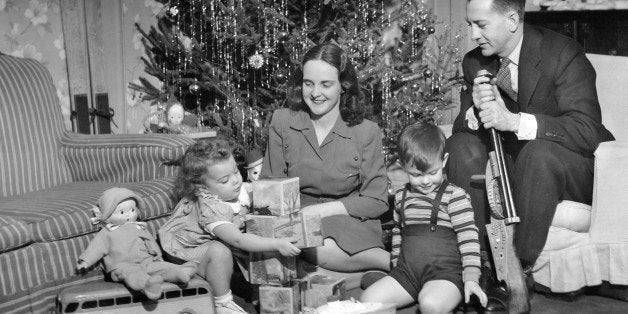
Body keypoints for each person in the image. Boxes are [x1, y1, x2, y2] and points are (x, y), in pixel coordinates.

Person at [447, 0, 614, 308]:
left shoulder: (562, 53)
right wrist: (474, 112)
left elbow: (587, 130)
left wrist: (513, 121)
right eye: (471, 24)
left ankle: (515, 270)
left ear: (512, 19)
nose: (473, 34)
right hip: (513, 162)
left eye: (481, 25)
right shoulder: (475, 61)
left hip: (567, 164)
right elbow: (463, 127)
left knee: (537, 152)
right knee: (460, 146)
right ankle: (481, 266)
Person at [260, 43, 391, 273]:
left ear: (344, 86)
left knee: (322, 248)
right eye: (308, 83)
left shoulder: (366, 131)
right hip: (297, 220)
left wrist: (322, 211)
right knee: (309, 242)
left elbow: (377, 200)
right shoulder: (282, 121)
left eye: (326, 84)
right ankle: (385, 266)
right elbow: (270, 187)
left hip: (348, 219)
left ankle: (392, 264)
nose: (315, 93)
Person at [158, 138, 301, 314]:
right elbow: (239, 240)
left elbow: (256, 193)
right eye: (225, 180)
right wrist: (277, 244)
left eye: (236, 172)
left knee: (251, 233)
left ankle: (258, 288)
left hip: (217, 237)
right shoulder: (210, 208)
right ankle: (222, 302)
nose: (235, 181)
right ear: (202, 188)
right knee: (220, 251)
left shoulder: (232, 189)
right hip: (187, 251)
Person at [360, 122, 487, 313]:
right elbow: (398, 232)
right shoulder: (402, 197)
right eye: (416, 175)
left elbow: (469, 238)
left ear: (443, 161)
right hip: (407, 275)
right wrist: (395, 264)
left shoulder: (455, 196)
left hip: (445, 275)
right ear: (403, 166)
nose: (426, 181)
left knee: (429, 304)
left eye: (433, 172)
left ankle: (450, 297)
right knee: (368, 300)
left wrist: (471, 277)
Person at [77, 187, 197, 300]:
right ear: (107, 215)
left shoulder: (139, 227)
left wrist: (157, 256)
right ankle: (147, 285)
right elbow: (96, 248)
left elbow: (149, 242)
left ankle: (179, 272)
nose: (129, 214)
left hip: (146, 261)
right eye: (122, 212)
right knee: (133, 274)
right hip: (122, 265)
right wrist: (85, 261)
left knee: (161, 267)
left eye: (132, 210)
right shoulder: (108, 232)